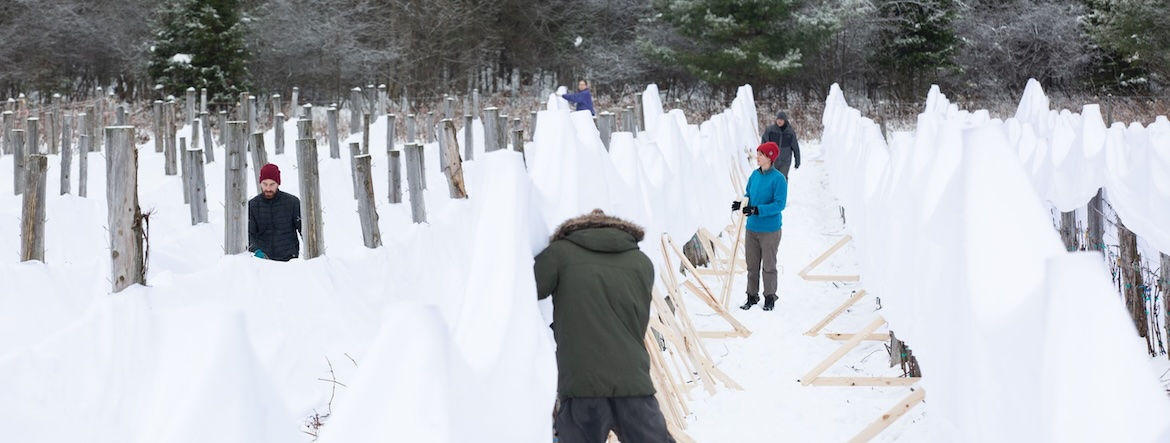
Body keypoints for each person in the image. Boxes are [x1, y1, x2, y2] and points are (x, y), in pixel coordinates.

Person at [534, 209, 675, 443]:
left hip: (581, 383)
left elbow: (528, 285)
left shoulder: (560, 254)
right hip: (632, 381)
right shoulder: (641, 262)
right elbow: (636, 319)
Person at [732, 142, 788, 311]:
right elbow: (748, 194)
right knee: (752, 265)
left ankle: (770, 297)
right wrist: (741, 204)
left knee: (769, 266)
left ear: (770, 157)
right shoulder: (754, 176)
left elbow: (779, 204)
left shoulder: (778, 179)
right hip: (752, 228)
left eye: (761, 154)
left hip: (770, 230)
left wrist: (757, 209)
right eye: (757, 153)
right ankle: (751, 296)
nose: (757, 157)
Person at [248, 163, 301, 261]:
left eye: (272, 184)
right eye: (265, 184)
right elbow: (249, 234)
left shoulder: (292, 203)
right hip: (262, 261)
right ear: (260, 183)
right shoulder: (252, 206)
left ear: (278, 183)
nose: (268, 189)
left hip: (289, 261)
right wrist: (256, 251)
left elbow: (304, 230)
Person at [760, 111, 801, 179]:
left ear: (785, 120)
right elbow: (763, 144)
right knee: (771, 179)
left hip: (785, 161)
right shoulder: (770, 130)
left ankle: (782, 189)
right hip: (772, 160)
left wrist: (797, 161)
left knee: (782, 178)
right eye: (778, 119)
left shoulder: (790, 132)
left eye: (781, 120)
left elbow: (795, 148)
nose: (779, 121)